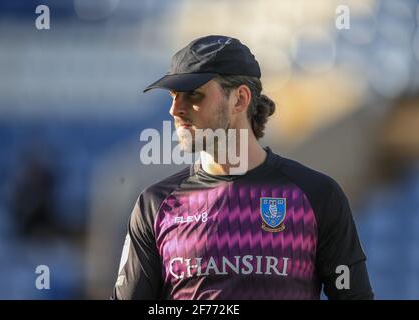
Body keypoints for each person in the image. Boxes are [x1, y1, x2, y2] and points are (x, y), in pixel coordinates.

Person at [111, 35, 374, 300]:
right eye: (173, 96)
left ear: (239, 99)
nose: (174, 109)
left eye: (193, 95)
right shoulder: (155, 205)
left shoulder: (317, 195)